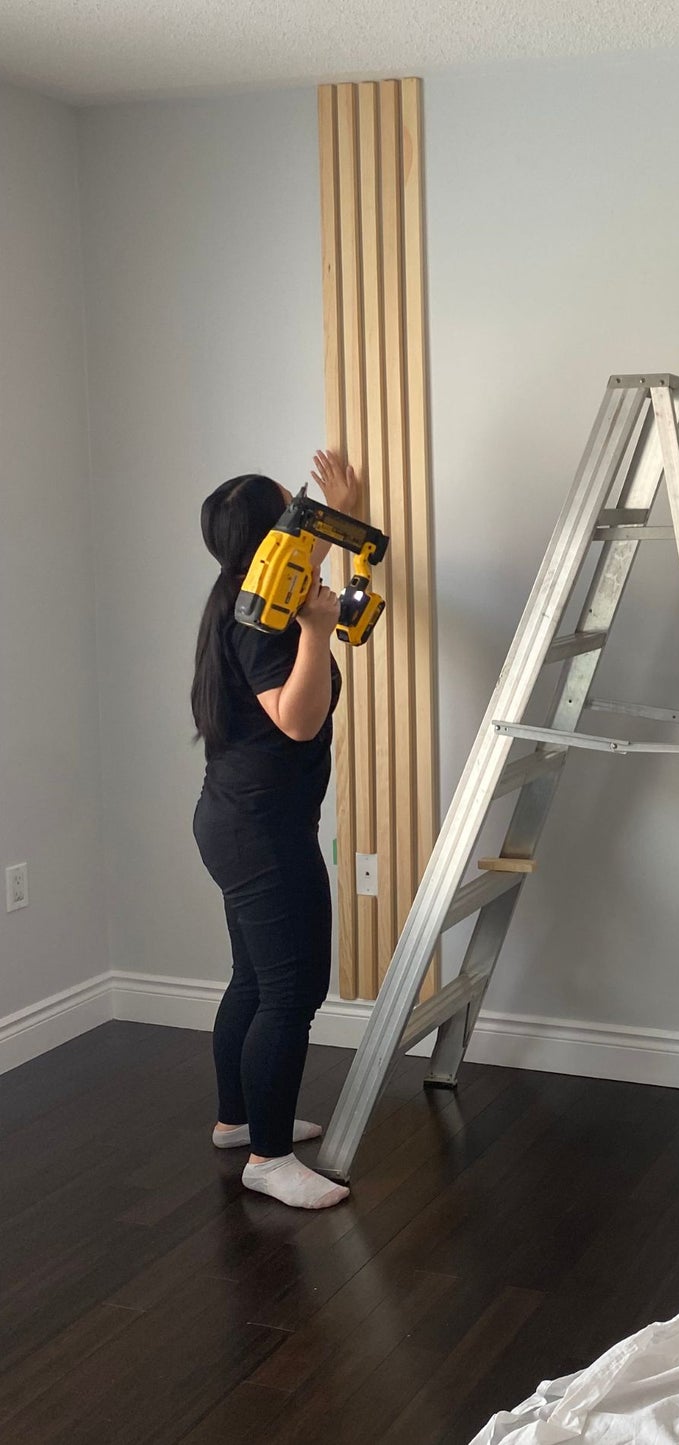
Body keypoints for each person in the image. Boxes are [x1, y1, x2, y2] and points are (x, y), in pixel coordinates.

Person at [189, 450, 360, 1210]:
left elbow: (305, 549)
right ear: (267, 540)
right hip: (260, 829)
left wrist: (345, 510)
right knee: (293, 989)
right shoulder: (264, 617)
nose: (304, 519)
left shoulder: (256, 587)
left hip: (233, 818)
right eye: (292, 509)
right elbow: (296, 719)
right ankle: (267, 1156)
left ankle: (239, 1118)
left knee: (256, 979)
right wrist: (319, 632)